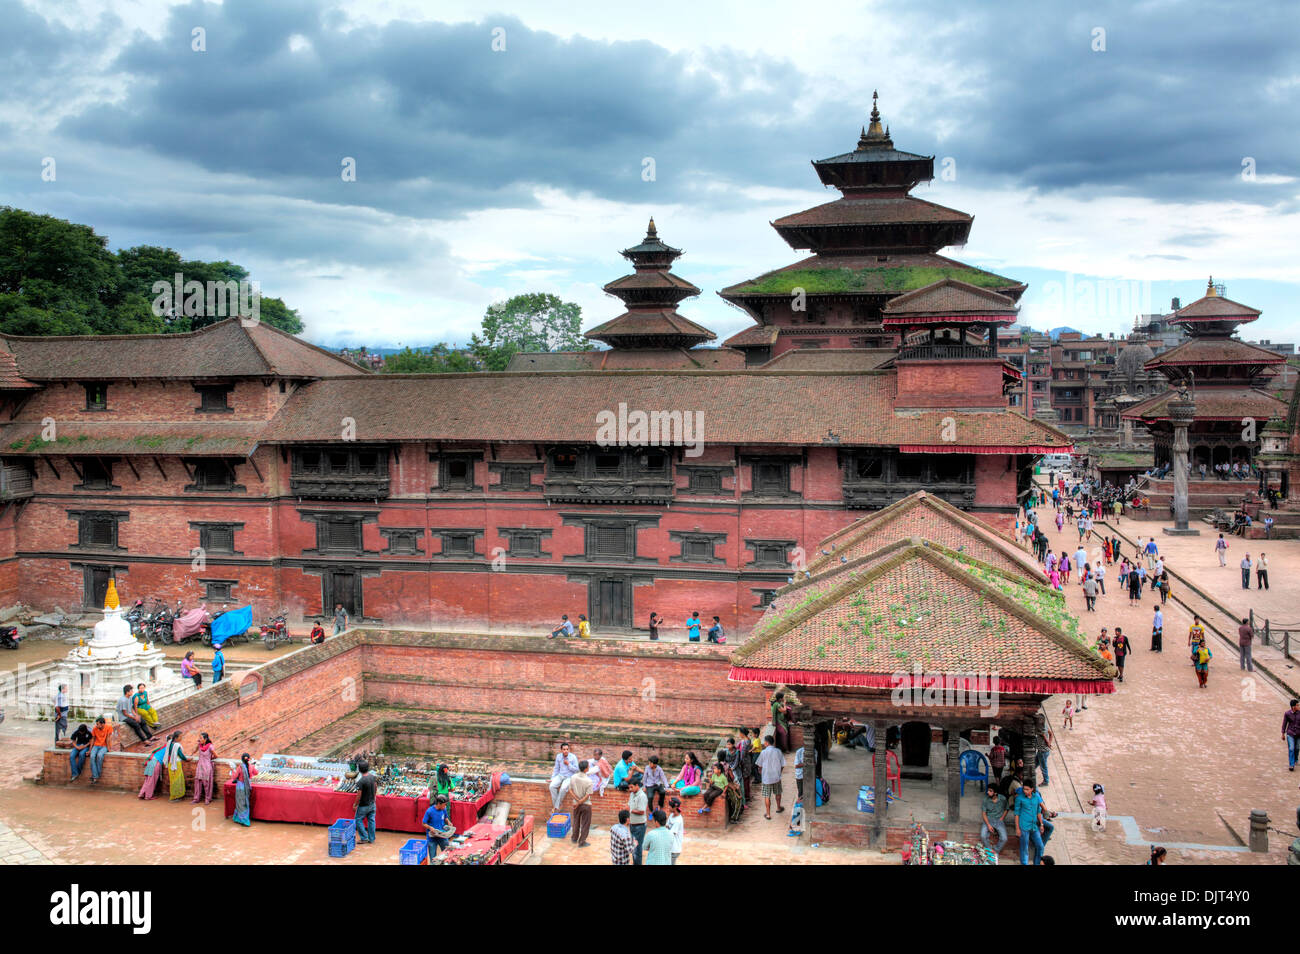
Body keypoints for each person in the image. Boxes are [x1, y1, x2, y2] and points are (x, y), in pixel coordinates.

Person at [1013, 780, 1046, 865]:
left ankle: (1037, 863)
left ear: (1032, 789)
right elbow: (1016, 814)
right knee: (1024, 848)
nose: (1025, 791)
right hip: (1023, 826)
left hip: (1034, 826)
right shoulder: (1019, 798)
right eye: (1024, 789)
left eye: (1027, 789)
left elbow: (1038, 812)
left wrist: (1041, 824)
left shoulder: (1036, 797)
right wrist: (1017, 829)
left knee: (1040, 846)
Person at [756, 733, 786, 819]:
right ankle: (778, 807)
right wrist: (779, 772)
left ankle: (768, 814)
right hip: (776, 776)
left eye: (764, 742)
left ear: (766, 742)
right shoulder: (778, 751)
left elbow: (759, 765)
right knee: (778, 792)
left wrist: (760, 771)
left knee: (767, 796)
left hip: (766, 777)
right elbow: (783, 764)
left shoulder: (763, 752)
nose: (764, 743)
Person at [548, 742, 580, 810]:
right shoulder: (558, 756)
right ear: (561, 750)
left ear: (569, 750)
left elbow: (577, 770)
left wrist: (568, 764)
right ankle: (558, 805)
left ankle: (556, 807)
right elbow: (556, 769)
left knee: (563, 789)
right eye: (564, 749)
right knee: (551, 786)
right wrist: (552, 778)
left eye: (567, 749)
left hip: (569, 777)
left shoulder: (573, 757)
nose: (566, 751)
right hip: (560, 775)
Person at [568, 760, 593, 848]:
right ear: (586, 769)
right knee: (585, 823)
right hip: (586, 804)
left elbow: (570, 790)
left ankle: (574, 838)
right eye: (588, 767)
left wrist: (577, 801)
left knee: (576, 821)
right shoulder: (589, 780)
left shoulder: (573, 777)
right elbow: (587, 795)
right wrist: (580, 802)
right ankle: (582, 842)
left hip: (575, 804)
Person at [421, 794, 454, 858]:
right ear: (439, 803)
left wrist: (448, 822)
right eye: (444, 804)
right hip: (432, 837)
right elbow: (423, 823)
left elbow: (445, 817)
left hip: (442, 835)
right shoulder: (429, 811)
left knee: (447, 854)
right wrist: (430, 827)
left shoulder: (443, 809)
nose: (445, 806)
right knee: (433, 858)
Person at [979, 781, 1008, 854]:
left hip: (999, 820)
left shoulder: (1003, 799)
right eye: (988, 790)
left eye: (990, 791)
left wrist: (1002, 818)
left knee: (1004, 838)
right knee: (983, 836)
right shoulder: (986, 799)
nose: (988, 792)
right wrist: (988, 825)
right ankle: (989, 850)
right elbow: (984, 813)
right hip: (988, 819)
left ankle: (995, 850)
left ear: (995, 793)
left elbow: (1006, 809)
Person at [354, 759, 377, 845]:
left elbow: (359, 795)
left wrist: (355, 804)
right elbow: (375, 786)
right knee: (371, 820)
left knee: (358, 820)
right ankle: (371, 839)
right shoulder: (372, 777)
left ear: (359, 770)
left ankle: (364, 838)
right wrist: (374, 796)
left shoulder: (361, 781)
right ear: (368, 768)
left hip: (364, 805)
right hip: (372, 804)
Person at [230, 753, 258, 826]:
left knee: (240, 803)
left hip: (240, 786)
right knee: (245, 802)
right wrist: (254, 765)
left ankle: (242, 820)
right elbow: (256, 773)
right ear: (248, 759)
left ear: (242, 759)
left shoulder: (240, 767)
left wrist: (232, 770)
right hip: (247, 786)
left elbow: (234, 777)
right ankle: (242, 819)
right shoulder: (251, 766)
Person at [626, 775, 648, 865]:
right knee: (634, 846)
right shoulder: (632, 794)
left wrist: (630, 810)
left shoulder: (642, 796)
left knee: (637, 848)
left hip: (639, 825)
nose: (630, 789)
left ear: (637, 786)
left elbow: (642, 811)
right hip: (632, 824)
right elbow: (629, 804)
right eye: (629, 787)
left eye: (632, 787)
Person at [162, 731, 189, 801]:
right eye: (180, 737)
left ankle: (174, 795)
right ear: (176, 738)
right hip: (176, 764)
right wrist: (186, 759)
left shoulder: (170, 742)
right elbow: (181, 755)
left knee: (173, 780)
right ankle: (177, 796)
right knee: (178, 779)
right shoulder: (177, 745)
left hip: (171, 763)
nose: (181, 738)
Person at [191, 732, 216, 804]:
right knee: (197, 782)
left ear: (205, 739)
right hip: (200, 766)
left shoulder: (210, 746)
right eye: (199, 738)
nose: (200, 739)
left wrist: (210, 758)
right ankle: (196, 798)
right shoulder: (199, 746)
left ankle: (207, 799)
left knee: (206, 783)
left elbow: (216, 755)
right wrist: (197, 743)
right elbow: (194, 751)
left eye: (201, 738)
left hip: (207, 766)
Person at [87, 717, 112, 784]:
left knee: (100, 756)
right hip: (96, 745)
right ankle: (95, 776)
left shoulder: (108, 727)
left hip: (104, 746)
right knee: (92, 757)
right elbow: (93, 739)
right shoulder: (95, 728)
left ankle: (96, 775)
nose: (97, 725)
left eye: (98, 724)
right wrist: (90, 749)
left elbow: (108, 738)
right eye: (96, 724)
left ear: (102, 724)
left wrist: (109, 748)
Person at [1283, 699, 1300, 771]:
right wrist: (1282, 733)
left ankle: (1296, 759)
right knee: (1291, 748)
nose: (1299, 706)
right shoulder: (1287, 714)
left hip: (1299, 734)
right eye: (1297, 705)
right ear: (1293, 707)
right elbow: (1284, 724)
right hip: (1290, 733)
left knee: (1297, 748)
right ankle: (1291, 765)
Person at [666, 797, 684, 864]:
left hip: (674, 849)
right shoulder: (671, 815)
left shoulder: (678, 821)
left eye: (670, 806)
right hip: (670, 847)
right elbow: (666, 826)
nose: (668, 807)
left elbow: (670, 834)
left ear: (675, 808)